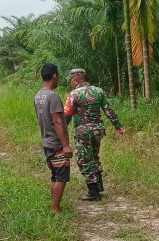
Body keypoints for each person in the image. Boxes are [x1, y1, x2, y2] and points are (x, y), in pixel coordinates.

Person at [63, 68, 124, 201]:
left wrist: (61, 131)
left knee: (85, 160)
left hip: (83, 132)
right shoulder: (98, 91)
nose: (71, 83)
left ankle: (93, 192)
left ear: (77, 80)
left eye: (72, 81)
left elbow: (67, 115)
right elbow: (108, 110)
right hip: (98, 131)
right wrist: (118, 126)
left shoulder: (73, 94)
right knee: (94, 156)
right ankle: (99, 185)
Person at [34, 63, 73, 212]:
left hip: (46, 141)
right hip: (56, 142)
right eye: (58, 75)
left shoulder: (38, 96)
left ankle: (56, 206)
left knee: (55, 175)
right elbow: (57, 120)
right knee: (62, 176)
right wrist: (65, 145)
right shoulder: (53, 96)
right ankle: (55, 208)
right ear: (55, 75)